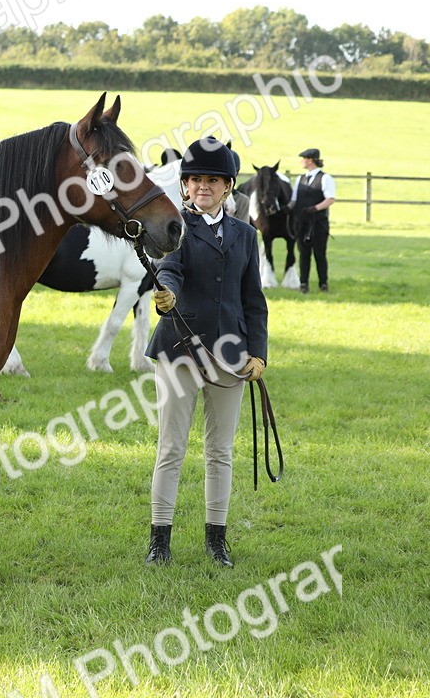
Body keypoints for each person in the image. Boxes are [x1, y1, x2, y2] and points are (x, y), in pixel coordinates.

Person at [144, 136, 269, 568]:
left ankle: (217, 539)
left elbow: (254, 300)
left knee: (220, 451)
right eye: (195, 179)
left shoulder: (246, 236)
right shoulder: (175, 226)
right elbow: (169, 268)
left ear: (228, 186)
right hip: (179, 350)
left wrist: (259, 353)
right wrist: (168, 295)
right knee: (171, 447)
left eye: (212, 181)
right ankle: (160, 539)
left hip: (231, 357)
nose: (203, 186)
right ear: (184, 185)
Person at [289, 147, 335, 293]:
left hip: (318, 222)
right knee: (303, 253)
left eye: (303, 158)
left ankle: (323, 283)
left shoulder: (325, 178)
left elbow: (330, 199)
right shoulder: (300, 179)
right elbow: (294, 200)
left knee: (319, 253)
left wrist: (315, 208)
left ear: (310, 160)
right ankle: (304, 283)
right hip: (302, 222)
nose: (302, 161)